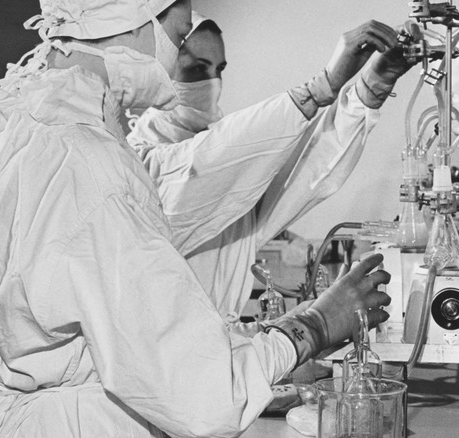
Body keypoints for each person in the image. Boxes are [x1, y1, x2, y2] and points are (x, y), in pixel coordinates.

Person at [0, 0, 404, 436]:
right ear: (131, 22)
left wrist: (359, 92)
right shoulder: (86, 161)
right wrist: (314, 326)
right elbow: (200, 391)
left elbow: (253, 167)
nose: (176, 60)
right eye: (178, 38)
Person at [128, 12, 418, 326]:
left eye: (219, 70)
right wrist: (321, 87)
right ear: (157, 69)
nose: (212, 81)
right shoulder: (136, 161)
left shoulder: (230, 164)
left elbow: (306, 172)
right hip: (154, 363)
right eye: (198, 68)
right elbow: (198, 168)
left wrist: (373, 86)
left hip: (211, 350)